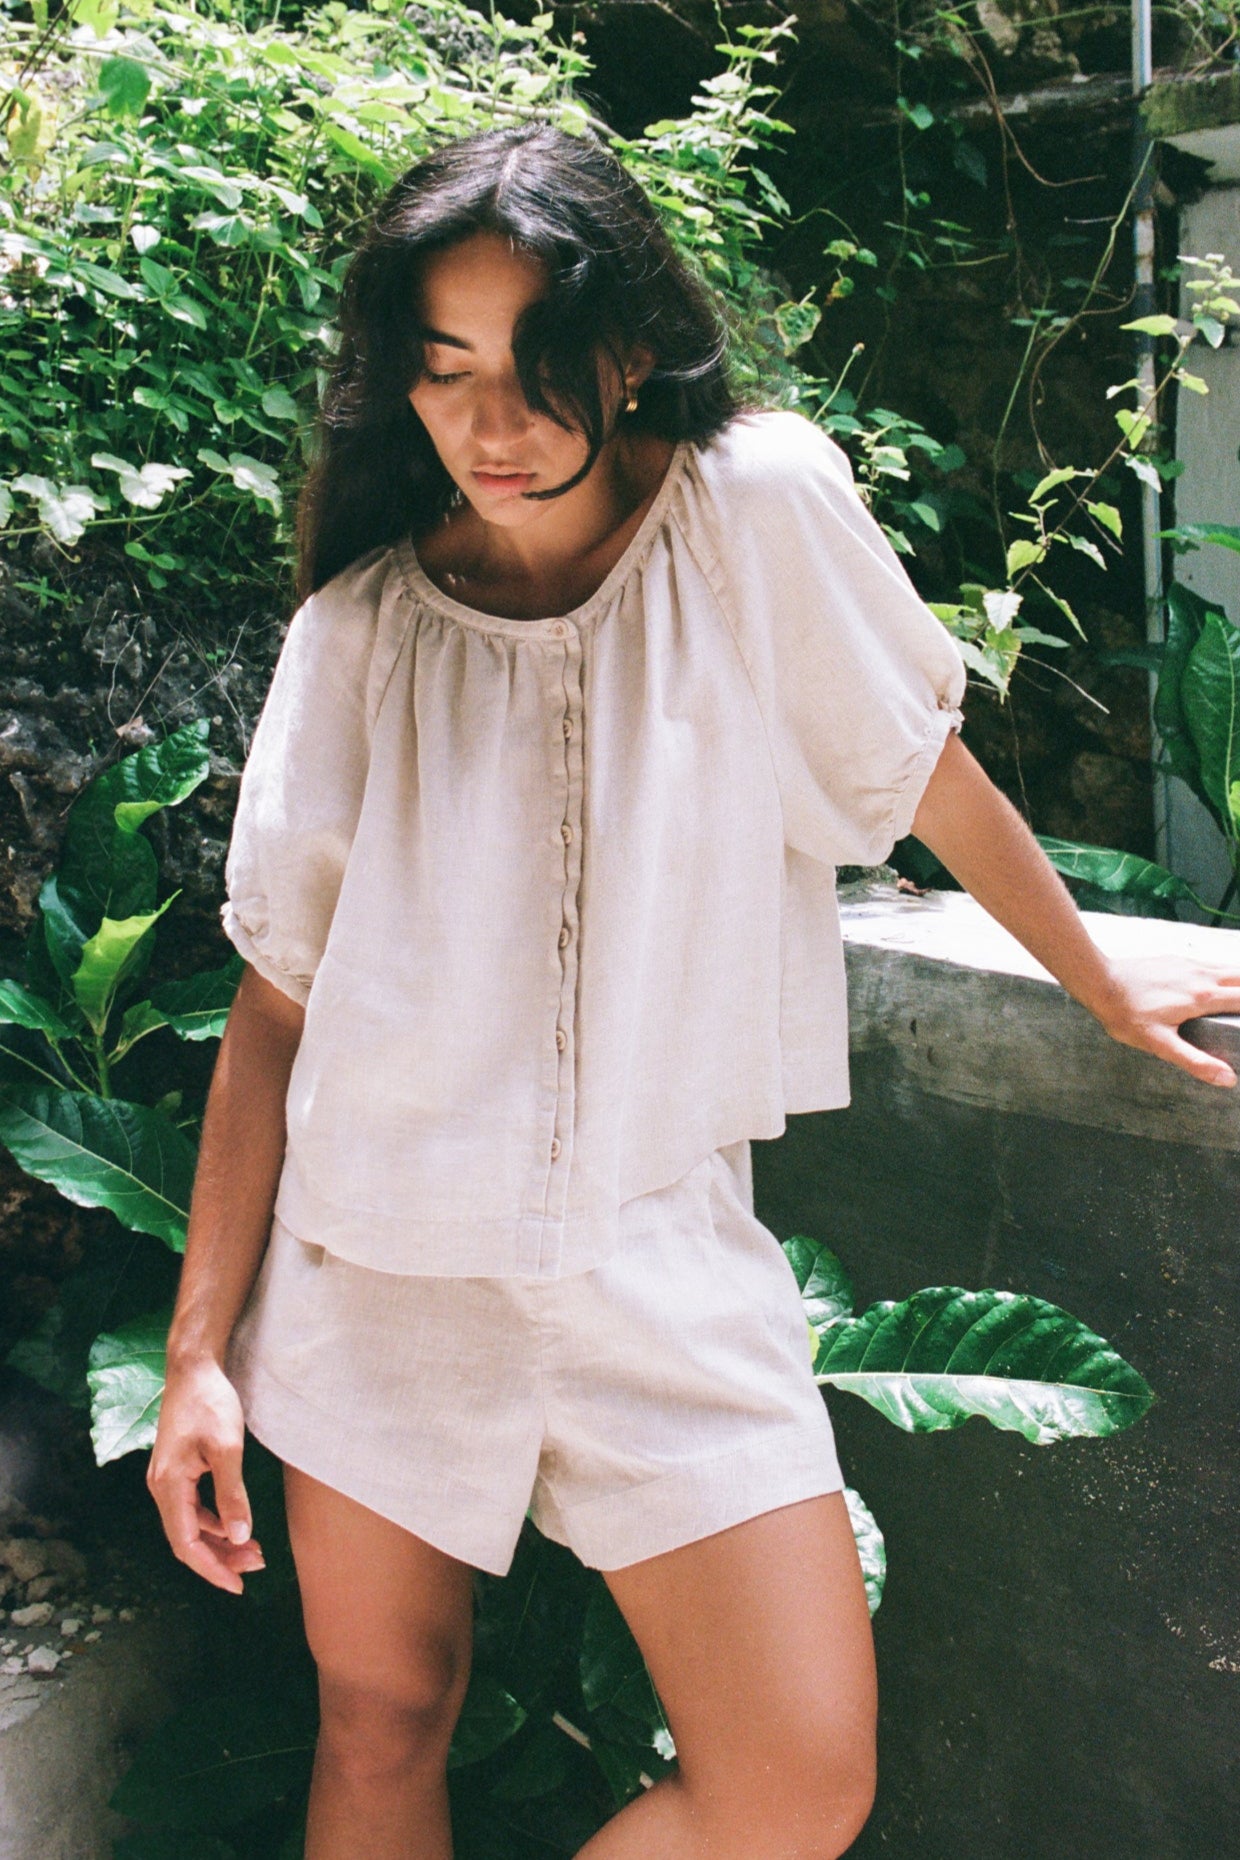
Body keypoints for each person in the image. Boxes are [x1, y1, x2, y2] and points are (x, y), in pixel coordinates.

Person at [146, 123, 1240, 1860]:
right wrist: (200, 1356)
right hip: (374, 1264)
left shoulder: (755, 508)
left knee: (795, 1782)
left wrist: (1098, 973)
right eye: (442, 375)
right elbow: (277, 1006)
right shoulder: (357, 633)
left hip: (658, 1254)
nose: (489, 428)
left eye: (535, 368)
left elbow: (918, 763)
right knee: (379, 1721)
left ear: (635, 346)